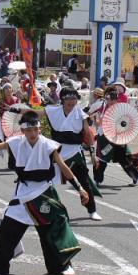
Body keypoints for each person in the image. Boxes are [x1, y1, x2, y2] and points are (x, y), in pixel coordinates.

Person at [0, 110, 88, 275]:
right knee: (8, 228)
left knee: (50, 232)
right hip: (24, 192)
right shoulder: (16, 142)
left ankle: (60, 266)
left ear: (40, 129)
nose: (32, 134)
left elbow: (63, 167)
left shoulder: (49, 145)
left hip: (44, 192)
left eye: (35, 130)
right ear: (23, 131)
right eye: (28, 130)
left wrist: (80, 188)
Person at [45, 87, 102, 221]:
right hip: (56, 150)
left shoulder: (80, 114)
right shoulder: (54, 111)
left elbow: (87, 135)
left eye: (74, 98)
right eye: (69, 98)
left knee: (84, 181)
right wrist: (14, 109)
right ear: (62, 100)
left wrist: (93, 154)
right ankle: (44, 209)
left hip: (75, 151)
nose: (72, 101)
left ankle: (92, 210)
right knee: (45, 181)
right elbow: (33, 112)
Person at [91, 79, 138, 186]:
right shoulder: (103, 107)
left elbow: (126, 125)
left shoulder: (121, 109)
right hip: (104, 138)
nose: (108, 101)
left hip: (117, 139)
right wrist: (97, 121)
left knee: (123, 159)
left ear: (116, 99)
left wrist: (123, 137)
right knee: (101, 158)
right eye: (107, 98)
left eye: (110, 99)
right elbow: (98, 121)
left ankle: (136, 177)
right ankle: (97, 180)